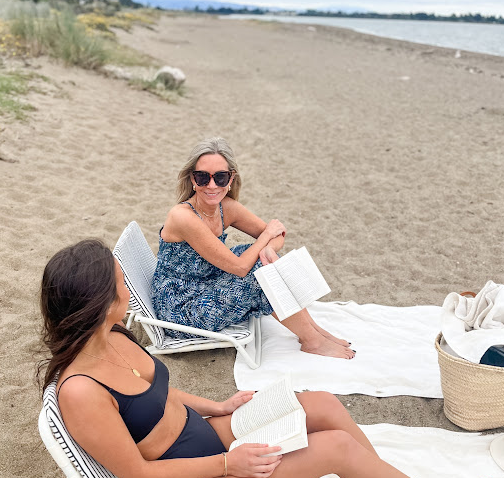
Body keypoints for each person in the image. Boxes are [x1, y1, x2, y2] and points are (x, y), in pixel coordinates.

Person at [39, 238, 495, 478]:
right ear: (101, 301)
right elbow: (137, 474)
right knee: (334, 448)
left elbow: (158, 397)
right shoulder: (81, 391)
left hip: (206, 436)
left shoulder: (116, 336)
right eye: (120, 279)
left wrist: (217, 405)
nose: (127, 283)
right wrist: (226, 464)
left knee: (322, 404)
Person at [151, 137, 355, 359]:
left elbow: (279, 235)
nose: (212, 185)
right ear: (192, 179)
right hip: (181, 310)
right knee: (257, 268)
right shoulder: (183, 217)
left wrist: (269, 249)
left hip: (206, 283)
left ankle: (315, 332)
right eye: (202, 177)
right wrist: (265, 239)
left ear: (231, 179)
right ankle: (312, 340)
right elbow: (240, 267)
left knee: (261, 257)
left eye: (220, 177)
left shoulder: (225, 207)